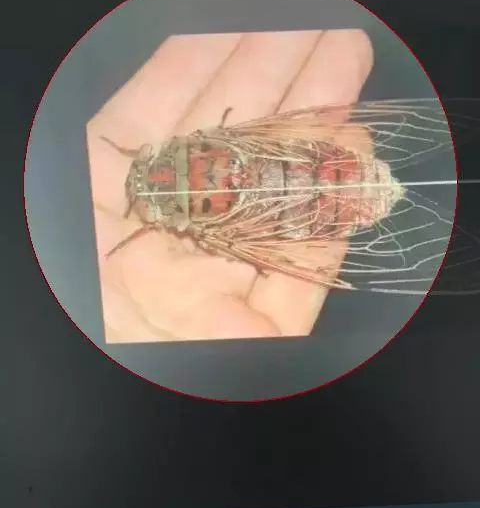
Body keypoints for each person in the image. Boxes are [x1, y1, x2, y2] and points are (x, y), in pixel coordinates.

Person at [87, 29, 373, 343]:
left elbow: (214, 239)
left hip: (289, 208)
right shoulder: (202, 145)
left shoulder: (197, 225)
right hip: (300, 174)